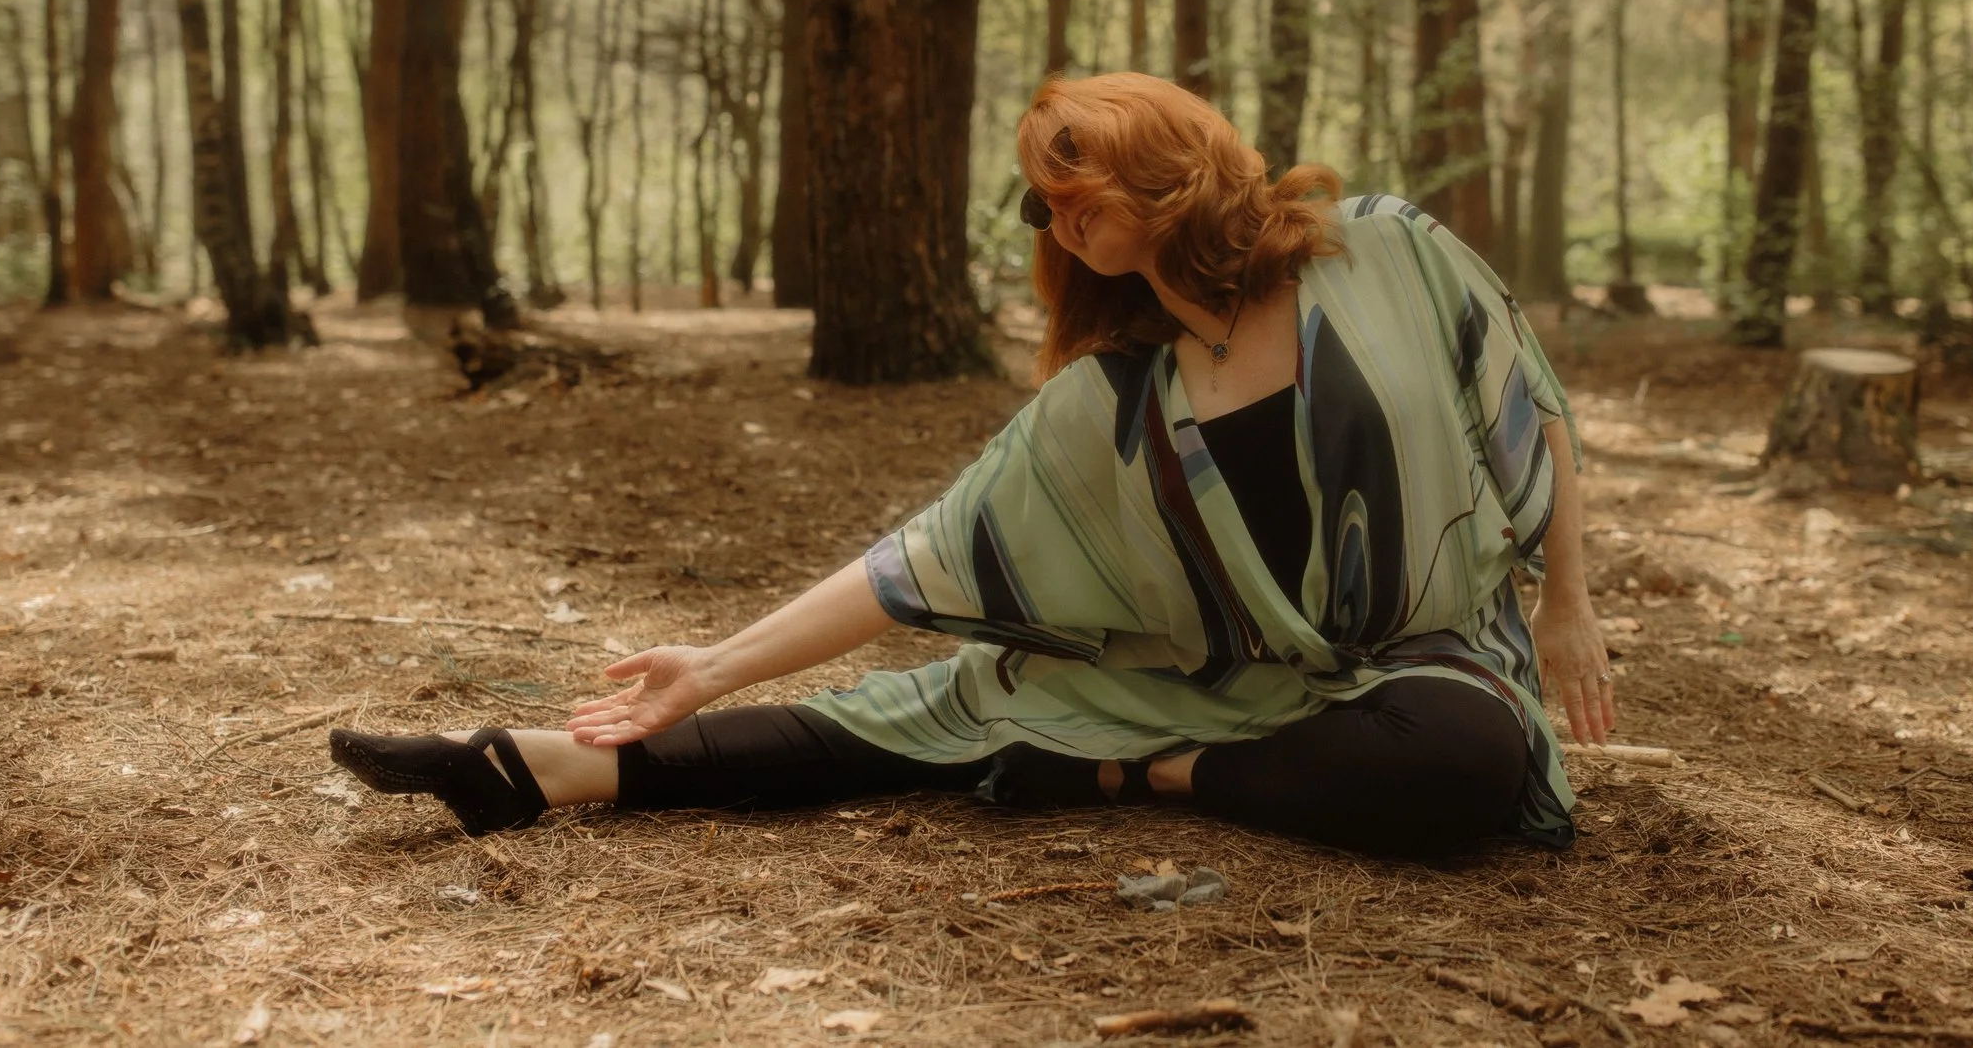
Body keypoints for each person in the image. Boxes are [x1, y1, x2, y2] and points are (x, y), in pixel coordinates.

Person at [331, 72, 1614, 860]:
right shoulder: (1118, 400)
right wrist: (708, 664)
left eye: (1078, 180)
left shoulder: (1382, 247)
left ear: (1169, 159)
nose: (1058, 215)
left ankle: (1127, 776)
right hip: (1231, 685)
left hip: (1427, 658)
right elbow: (923, 561)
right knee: (941, 707)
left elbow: (1528, 404)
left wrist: (1567, 602)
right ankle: (545, 764)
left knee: (1457, 761)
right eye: (1042, 202)